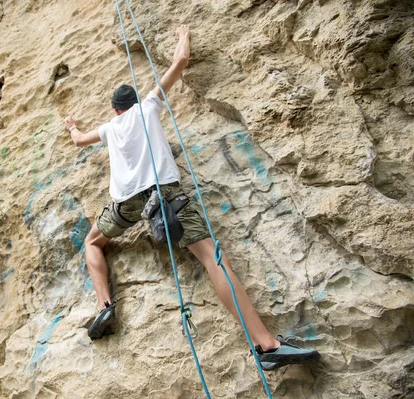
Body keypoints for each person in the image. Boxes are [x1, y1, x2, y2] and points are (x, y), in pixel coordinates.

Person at [64, 25, 320, 371]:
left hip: (126, 203)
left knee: (93, 243)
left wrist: (71, 127)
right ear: (135, 104)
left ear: (114, 112)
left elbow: (79, 140)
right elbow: (181, 60)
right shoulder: (148, 106)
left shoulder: (110, 129)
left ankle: (104, 305)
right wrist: (183, 33)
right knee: (214, 260)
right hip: (165, 196)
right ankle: (267, 345)